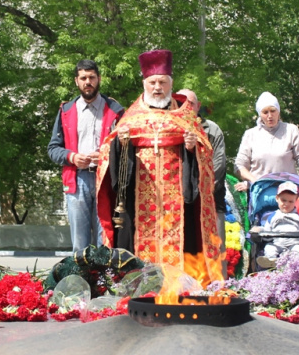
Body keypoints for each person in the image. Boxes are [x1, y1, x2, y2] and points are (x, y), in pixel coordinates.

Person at [95, 50, 221, 285]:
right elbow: (107, 153)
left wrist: (193, 149)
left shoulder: (185, 116)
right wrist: (121, 145)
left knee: (182, 239)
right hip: (140, 194)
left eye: (162, 82)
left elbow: (205, 153)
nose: (157, 88)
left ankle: (180, 285)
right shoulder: (130, 117)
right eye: (152, 82)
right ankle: (138, 284)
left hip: (177, 195)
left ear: (170, 84)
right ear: (145, 84)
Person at [48, 60, 125, 251]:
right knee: (79, 243)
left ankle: (102, 280)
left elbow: (127, 149)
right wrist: (72, 157)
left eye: (91, 77)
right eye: (83, 78)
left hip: (105, 180)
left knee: (104, 239)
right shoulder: (66, 111)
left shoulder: (116, 111)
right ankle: (80, 279)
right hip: (76, 180)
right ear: (76, 81)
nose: (87, 82)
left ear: (99, 79)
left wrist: (107, 157)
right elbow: (53, 148)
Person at [176, 89, 228, 275]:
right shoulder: (169, 128)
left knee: (214, 250)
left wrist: (199, 189)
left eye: (191, 103)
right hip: (177, 204)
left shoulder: (211, 130)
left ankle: (217, 293)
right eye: (182, 102)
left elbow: (219, 165)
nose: (187, 107)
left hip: (210, 200)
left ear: (198, 106)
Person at [234, 92, 299, 191]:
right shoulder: (250, 134)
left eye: (273, 111)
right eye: (265, 112)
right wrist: (253, 181)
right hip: (260, 191)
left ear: (278, 111)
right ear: (260, 115)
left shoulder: (291, 130)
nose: (270, 115)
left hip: (287, 191)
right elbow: (240, 165)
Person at [254, 181, 299, 268]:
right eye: (283, 200)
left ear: (296, 201)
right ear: (277, 198)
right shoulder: (271, 216)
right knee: (269, 248)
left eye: (290, 201)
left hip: (295, 243)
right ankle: (271, 261)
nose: (286, 204)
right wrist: (259, 230)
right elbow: (266, 232)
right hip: (277, 243)